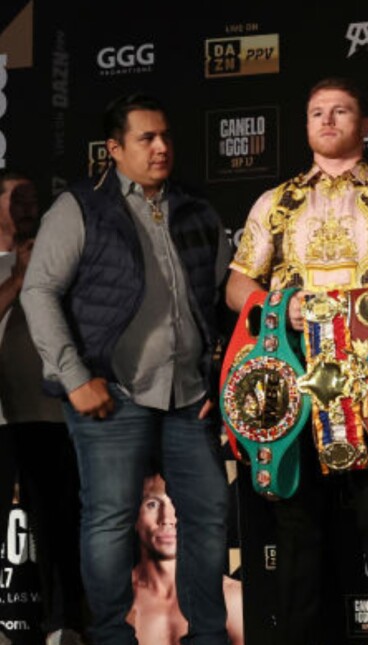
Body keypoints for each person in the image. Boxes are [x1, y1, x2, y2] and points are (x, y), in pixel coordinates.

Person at [225, 76, 368, 645]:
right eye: (317, 112)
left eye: (341, 111)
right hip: (296, 381)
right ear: (305, 126)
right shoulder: (274, 203)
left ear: (364, 125)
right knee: (299, 530)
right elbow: (236, 286)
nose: (327, 120)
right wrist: (282, 304)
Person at [21, 93, 231, 645]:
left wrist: (219, 378)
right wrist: (73, 376)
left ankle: (208, 637)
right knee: (110, 521)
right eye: (146, 138)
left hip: (189, 396)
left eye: (165, 136)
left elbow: (222, 296)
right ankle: (112, 638)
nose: (161, 147)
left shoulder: (195, 206)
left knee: (209, 517)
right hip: (111, 393)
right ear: (114, 149)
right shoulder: (80, 207)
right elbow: (38, 291)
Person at [0, 172, 86, 645]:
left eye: (34, 198)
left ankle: (64, 626)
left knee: (58, 525)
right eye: (17, 198)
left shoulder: (55, 258)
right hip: (1, 418)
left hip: (49, 414)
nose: (28, 207)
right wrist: (18, 276)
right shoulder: (12, 265)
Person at [127, 473, 243, 645]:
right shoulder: (118, 601)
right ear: (134, 517)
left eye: (177, 504)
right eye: (152, 504)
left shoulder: (232, 598)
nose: (167, 519)